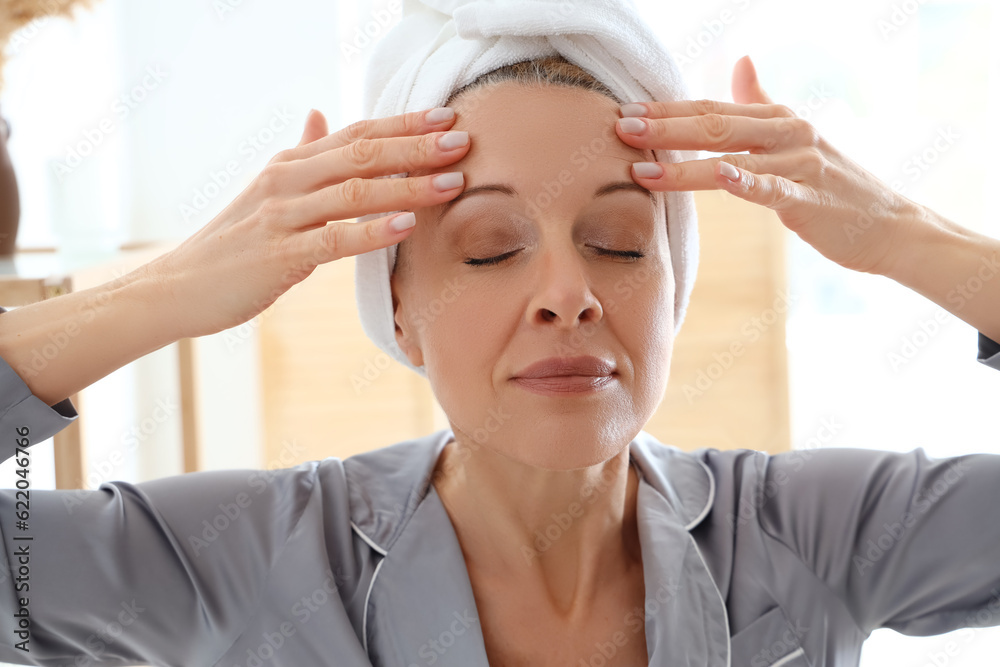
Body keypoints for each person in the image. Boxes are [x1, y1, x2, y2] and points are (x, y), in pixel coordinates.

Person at [0, 47, 999, 667]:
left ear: (672, 294)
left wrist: (906, 236)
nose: (569, 293)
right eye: (487, 247)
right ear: (400, 310)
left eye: (618, 244)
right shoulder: (250, 557)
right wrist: (164, 293)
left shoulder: (813, 534)